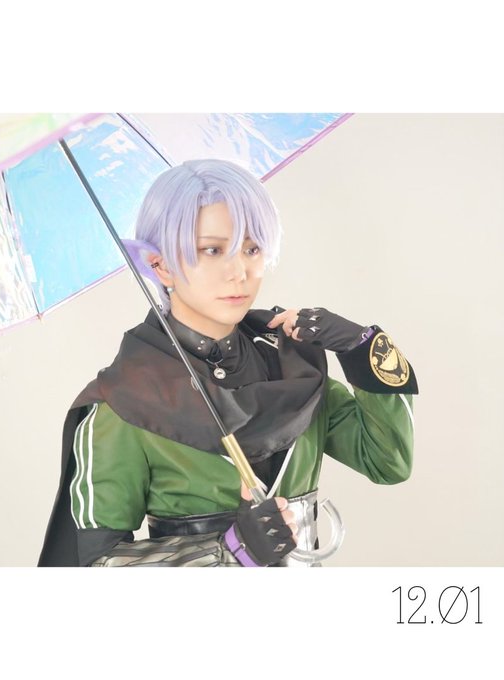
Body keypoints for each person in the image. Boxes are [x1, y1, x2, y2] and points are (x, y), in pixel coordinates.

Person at [37, 158, 418, 567]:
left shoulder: (292, 367)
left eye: (251, 249)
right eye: (213, 250)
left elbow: (387, 461)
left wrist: (363, 348)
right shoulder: (122, 404)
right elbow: (93, 566)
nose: (239, 272)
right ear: (159, 265)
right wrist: (228, 552)